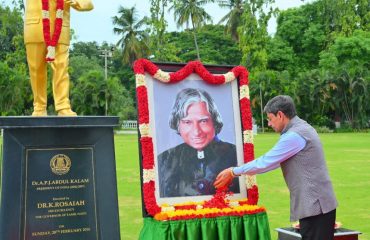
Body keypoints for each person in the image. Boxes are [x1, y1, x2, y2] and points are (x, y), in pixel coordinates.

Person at [214, 95, 338, 240]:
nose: (269, 123)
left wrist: (233, 171)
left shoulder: (294, 135)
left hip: (315, 207)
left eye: (270, 118)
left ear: (280, 115)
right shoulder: (302, 127)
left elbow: (266, 162)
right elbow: (271, 163)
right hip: (317, 206)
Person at [158, 88, 240, 197]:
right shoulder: (165, 159)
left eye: (203, 121)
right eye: (187, 122)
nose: (196, 131)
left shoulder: (236, 155)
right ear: (178, 124)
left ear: (215, 121)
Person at [24, 0, 94, 116]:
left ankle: (63, 106)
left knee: (62, 69)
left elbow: (88, 4)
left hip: (60, 29)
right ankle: (39, 107)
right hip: (35, 28)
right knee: (36, 70)